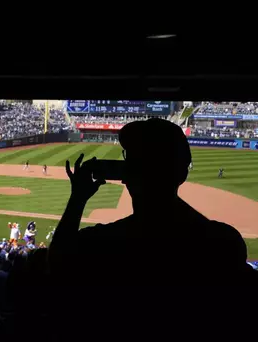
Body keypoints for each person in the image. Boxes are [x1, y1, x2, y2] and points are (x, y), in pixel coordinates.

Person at [49, 118, 253, 339]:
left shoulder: (105, 241)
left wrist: (78, 198)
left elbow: (58, 266)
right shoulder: (222, 242)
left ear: (127, 174)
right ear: (183, 174)